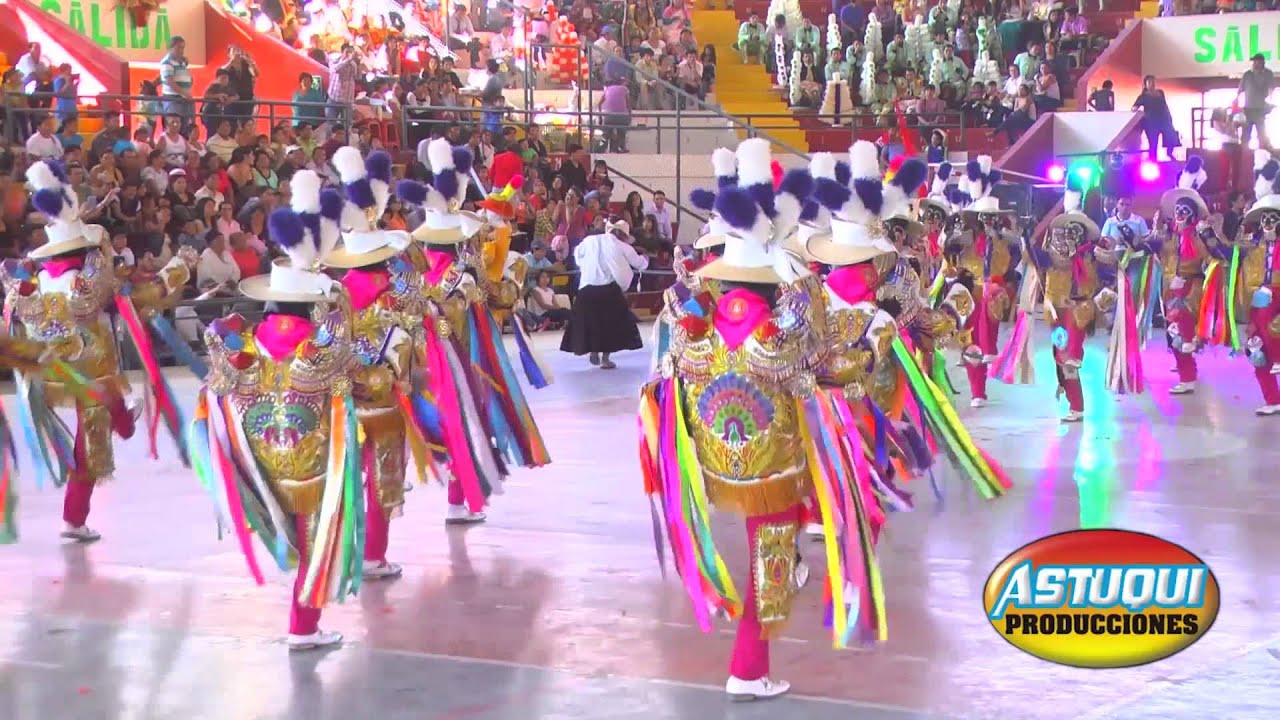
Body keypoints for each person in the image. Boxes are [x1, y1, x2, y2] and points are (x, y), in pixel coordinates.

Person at [641, 138, 866, 701]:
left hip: (716, 461)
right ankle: (748, 669)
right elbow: (821, 365)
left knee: (769, 555)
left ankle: (755, 653)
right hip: (775, 467)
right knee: (770, 563)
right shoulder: (783, 323)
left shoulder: (693, 319)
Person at [192, 177, 361, 651]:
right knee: (315, 542)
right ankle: (303, 627)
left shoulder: (239, 345)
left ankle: (303, 624)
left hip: (260, 468)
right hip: (312, 470)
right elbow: (362, 378)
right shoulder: (323, 349)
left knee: (299, 542)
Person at [2, 161, 192, 542]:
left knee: (107, 420)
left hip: (56, 368)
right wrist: (178, 270)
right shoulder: (89, 278)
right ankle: (73, 519)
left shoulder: (40, 279)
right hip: (93, 372)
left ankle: (124, 421)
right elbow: (138, 299)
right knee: (90, 449)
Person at [401, 138, 550, 523]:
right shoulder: (464, 275)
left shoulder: (417, 271)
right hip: (464, 364)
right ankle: (458, 501)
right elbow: (499, 297)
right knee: (464, 425)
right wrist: (516, 274)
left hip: (419, 364)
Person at [322, 153, 426, 579]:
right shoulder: (397, 292)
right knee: (383, 475)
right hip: (383, 400)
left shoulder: (337, 292)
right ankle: (373, 555)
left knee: (343, 476)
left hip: (342, 399)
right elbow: (413, 343)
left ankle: (338, 552)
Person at [1028, 178, 1109, 421]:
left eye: (1073, 233)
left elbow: (1111, 272)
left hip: (1078, 310)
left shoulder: (1091, 256)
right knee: (1061, 357)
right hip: (1055, 312)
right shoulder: (1052, 256)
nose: (1067, 237)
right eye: (1065, 233)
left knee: (1070, 359)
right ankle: (1075, 406)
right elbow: (1033, 259)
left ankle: (1077, 407)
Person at [944, 157, 1022, 407]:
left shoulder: (1005, 239)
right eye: (984, 217)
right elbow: (948, 249)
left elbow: (1018, 254)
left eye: (992, 217)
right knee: (970, 343)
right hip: (970, 294)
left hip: (994, 293)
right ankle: (977, 391)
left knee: (991, 295)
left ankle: (990, 351)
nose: (988, 221)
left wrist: (1003, 236)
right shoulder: (966, 238)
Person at [1150, 157, 1223, 395]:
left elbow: (1212, 260)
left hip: (1191, 290)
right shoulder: (1170, 237)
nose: (1180, 214)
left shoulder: (1196, 237)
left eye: (1185, 211)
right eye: (1178, 211)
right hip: (1171, 289)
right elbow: (1158, 254)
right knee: (1175, 336)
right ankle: (1187, 376)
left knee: (1182, 330)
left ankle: (1188, 373)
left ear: (1192, 216)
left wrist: (1212, 239)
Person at [559, 219, 646, 368]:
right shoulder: (620, 245)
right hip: (608, 289)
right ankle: (605, 359)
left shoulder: (588, 241)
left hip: (586, 289)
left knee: (591, 323)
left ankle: (594, 351)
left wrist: (586, 266)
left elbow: (577, 254)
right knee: (610, 325)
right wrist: (645, 259)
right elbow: (639, 263)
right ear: (620, 233)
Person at [1232, 152, 1280, 413]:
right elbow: (1232, 252)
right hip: (1260, 301)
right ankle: (1272, 400)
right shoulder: (1255, 246)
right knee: (1256, 350)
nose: (1268, 223)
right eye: (1265, 219)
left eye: (1273, 219)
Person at [1132, 75, 1179, 161]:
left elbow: (1164, 105)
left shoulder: (1160, 93)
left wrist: (1169, 116)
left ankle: (1169, 153)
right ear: (1146, 84)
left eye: (1153, 81)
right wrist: (1136, 110)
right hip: (1151, 123)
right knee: (1153, 144)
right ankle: (1153, 161)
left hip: (1164, 120)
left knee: (1171, 137)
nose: (1152, 83)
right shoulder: (1143, 96)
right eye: (1149, 82)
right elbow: (1134, 107)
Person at [1238, 54, 1275, 151]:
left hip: (1261, 109)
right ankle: (1244, 155)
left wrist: (1270, 102)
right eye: (1254, 61)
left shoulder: (1268, 74)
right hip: (1248, 109)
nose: (1254, 63)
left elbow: (1271, 89)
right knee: (1246, 136)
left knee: (1262, 136)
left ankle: (1263, 154)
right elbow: (1240, 90)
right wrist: (1238, 104)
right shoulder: (1247, 74)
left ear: (1262, 62)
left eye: (1256, 61)